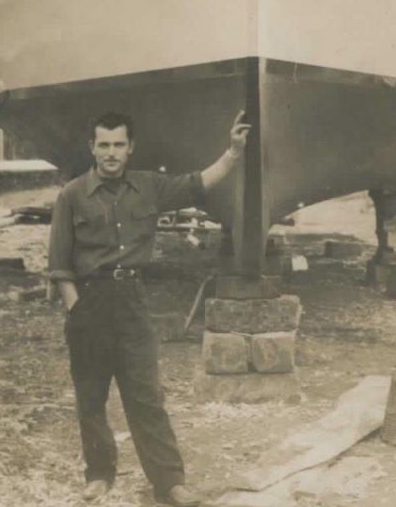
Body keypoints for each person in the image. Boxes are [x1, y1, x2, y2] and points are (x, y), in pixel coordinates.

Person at [48, 109, 250, 507]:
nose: (111, 152)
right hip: (89, 303)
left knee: (146, 396)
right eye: (103, 145)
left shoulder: (149, 187)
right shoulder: (71, 195)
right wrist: (76, 309)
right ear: (92, 148)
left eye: (118, 144)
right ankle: (99, 475)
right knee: (91, 397)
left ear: (130, 148)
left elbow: (197, 184)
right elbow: (59, 263)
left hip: (132, 302)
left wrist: (233, 152)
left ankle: (169, 482)